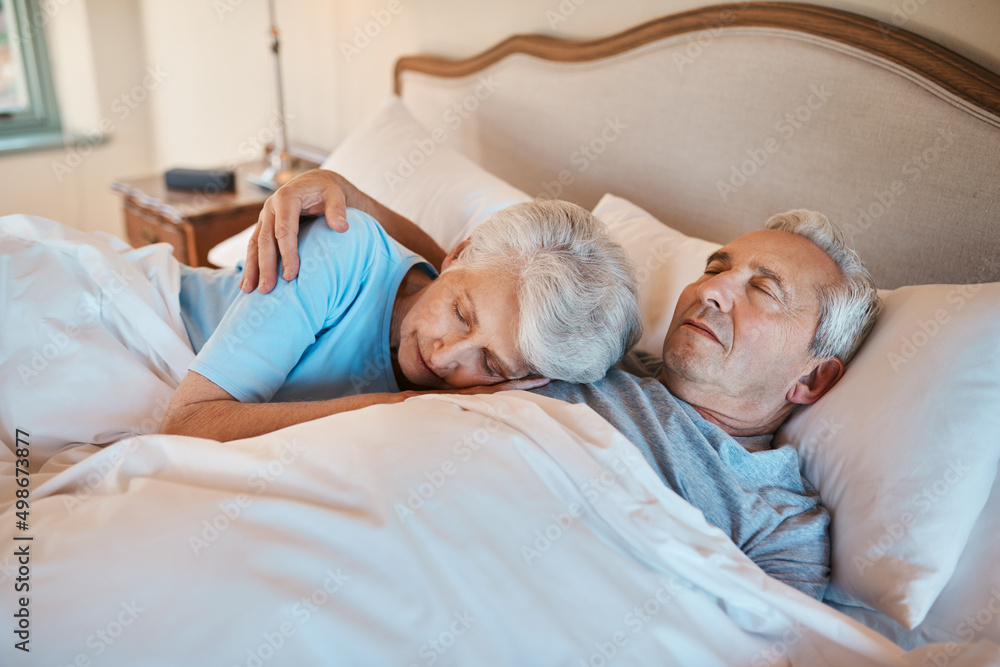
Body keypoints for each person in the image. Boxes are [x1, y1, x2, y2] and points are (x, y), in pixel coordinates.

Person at [244, 169, 883, 600]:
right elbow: (472, 283)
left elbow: (768, 643)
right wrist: (351, 196)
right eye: (716, 267)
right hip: (362, 513)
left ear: (813, 377)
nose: (713, 288)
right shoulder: (596, 356)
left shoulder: (779, 522)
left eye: (762, 289)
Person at [160, 198, 641, 442]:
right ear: (458, 255)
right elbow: (186, 425)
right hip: (142, 311)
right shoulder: (342, 248)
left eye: (490, 364)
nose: (444, 355)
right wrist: (407, 401)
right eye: (459, 313)